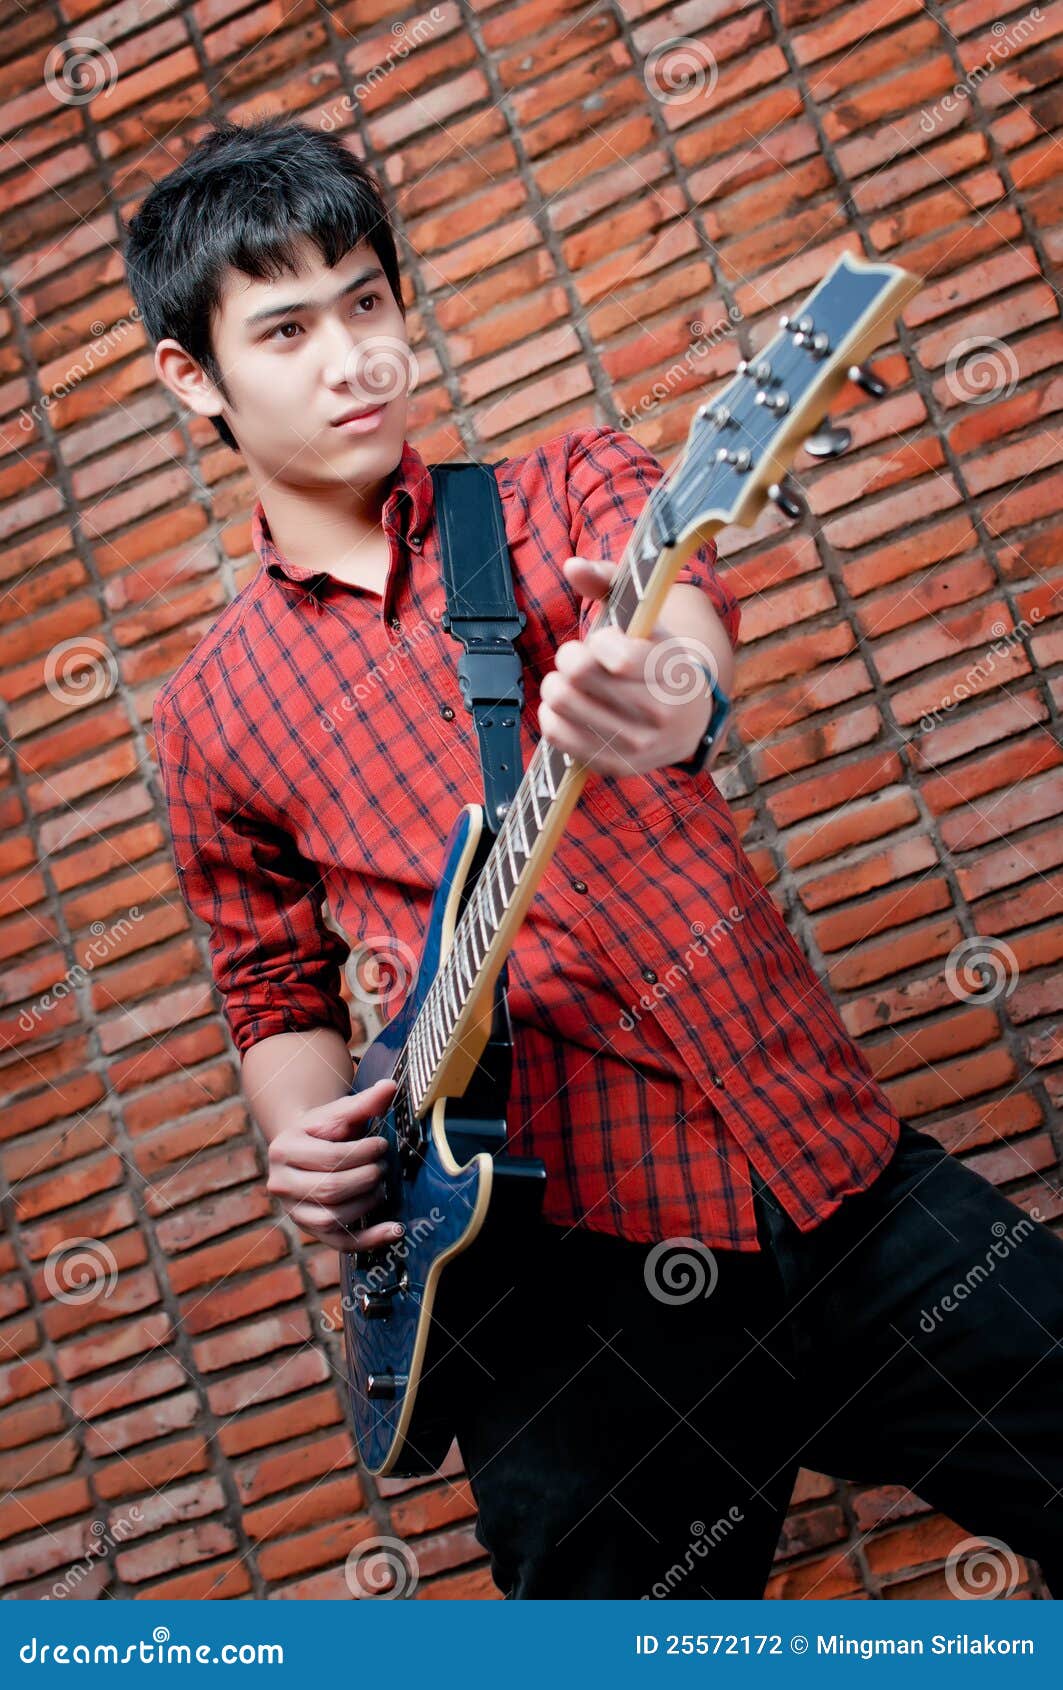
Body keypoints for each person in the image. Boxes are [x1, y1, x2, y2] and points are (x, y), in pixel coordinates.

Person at [126, 115, 1063, 1600]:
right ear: (195, 378)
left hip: (835, 1175)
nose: (353, 356)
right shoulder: (205, 718)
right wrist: (304, 1136)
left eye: (367, 300)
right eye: (289, 327)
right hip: (564, 1305)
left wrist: (663, 698)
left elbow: (682, 615)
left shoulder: (567, 488)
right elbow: (269, 987)